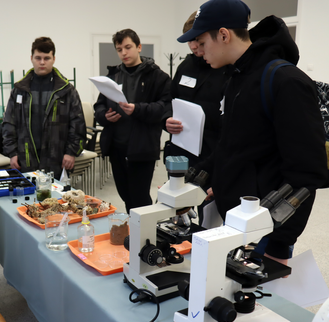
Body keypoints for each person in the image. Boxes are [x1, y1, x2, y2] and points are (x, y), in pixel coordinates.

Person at [177, 0, 327, 264]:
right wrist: (199, 181)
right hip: (235, 220)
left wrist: (279, 244)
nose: (199, 51)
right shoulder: (236, 78)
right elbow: (232, 144)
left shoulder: (286, 81)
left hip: (266, 233)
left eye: (201, 41)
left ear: (223, 35)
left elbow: (306, 173)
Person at [94, 29, 172, 213]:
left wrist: (138, 109)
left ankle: (145, 237)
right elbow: (99, 106)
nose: (124, 53)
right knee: (125, 195)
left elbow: (165, 107)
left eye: (128, 47)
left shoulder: (157, 77)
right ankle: (133, 232)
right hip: (117, 147)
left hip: (142, 148)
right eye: (119, 49)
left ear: (139, 47)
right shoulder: (112, 77)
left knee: (140, 198)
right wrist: (104, 115)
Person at [165, 11, 231, 223]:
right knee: (178, 210)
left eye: (197, 40)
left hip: (211, 152)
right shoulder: (185, 66)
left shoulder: (225, 69)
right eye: (189, 42)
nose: (193, 46)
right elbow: (168, 100)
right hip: (181, 151)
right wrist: (166, 119)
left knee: (209, 214)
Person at [2, 37, 86, 178]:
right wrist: (12, 153)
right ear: (31, 58)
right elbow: (9, 123)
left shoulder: (66, 90)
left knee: (56, 199)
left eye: (46, 58)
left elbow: (78, 124)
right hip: (26, 158)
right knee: (28, 199)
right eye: (38, 58)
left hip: (57, 158)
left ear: (54, 58)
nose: (42, 62)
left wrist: (71, 152)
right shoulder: (19, 90)